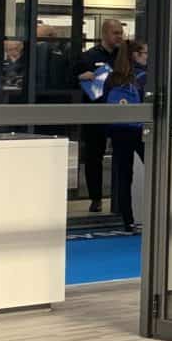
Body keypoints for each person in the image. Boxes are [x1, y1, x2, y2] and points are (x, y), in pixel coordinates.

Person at [77, 19, 126, 213]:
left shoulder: (124, 57)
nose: (119, 37)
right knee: (93, 156)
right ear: (105, 34)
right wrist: (81, 77)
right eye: (115, 33)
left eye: (121, 33)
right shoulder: (88, 57)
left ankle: (121, 198)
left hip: (119, 113)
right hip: (95, 112)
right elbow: (73, 80)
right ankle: (95, 198)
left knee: (122, 156)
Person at [104, 42, 144, 232]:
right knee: (159, 171)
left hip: (119, 132)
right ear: (135, 55)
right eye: (144, 53)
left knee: (124, 176)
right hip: (140, 131)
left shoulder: (111, 78)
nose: (147, 56)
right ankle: (159, 212)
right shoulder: (142, 77)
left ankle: (127, 220)